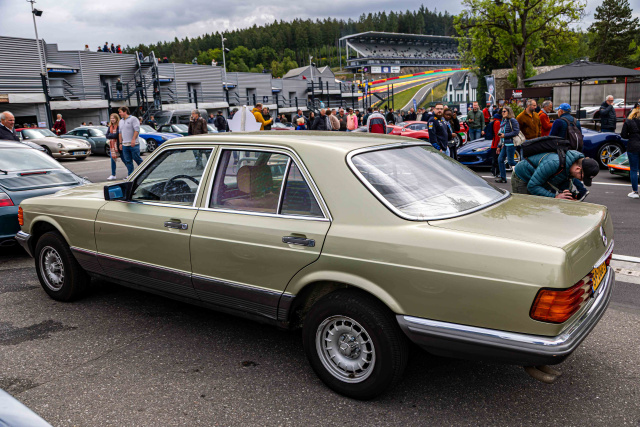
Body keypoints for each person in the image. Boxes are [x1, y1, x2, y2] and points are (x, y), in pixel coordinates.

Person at [512, 149, 600, 199]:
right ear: (578, 169)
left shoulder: (570, 169)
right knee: (523, 208)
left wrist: (567, 195)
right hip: (522, 176)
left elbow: (563, 185)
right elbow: (532, 186)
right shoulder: (554, 163)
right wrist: (556, 197)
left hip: (537, 179)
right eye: (582, 177)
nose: (580, 180)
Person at [495, 106, 521, 183]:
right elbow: (501, 134)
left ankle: (522, 170)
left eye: (504, 111)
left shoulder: (512, 120)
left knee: (511, 162)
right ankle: (503, 177)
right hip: (505, 144)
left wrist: (505, 135)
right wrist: (499, 146)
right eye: (502, 111)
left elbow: (516, 132)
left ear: (509, 112)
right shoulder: (504, 121)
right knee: (500, 159)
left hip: (511, 144)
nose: (503, 113)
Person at [621, 106, 640, 198]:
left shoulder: (629, 121)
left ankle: (635, 191)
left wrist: (631, 136)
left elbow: (623, 135)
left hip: (633, 146)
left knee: (633, 169)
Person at [118, 106, 142, 177]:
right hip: (125, 145)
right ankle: (130, 175)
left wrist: (133, 139)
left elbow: (136, 130)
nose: (119, 113)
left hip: (133, 144)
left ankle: (145, 172)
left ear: (125, 111)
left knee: (137, 159)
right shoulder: (121, 121)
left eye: (120, 112)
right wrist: (120, 143)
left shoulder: (133, 119)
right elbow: (120, 133)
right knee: (128, 161)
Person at [106, 113, 121, 181]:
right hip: (112, 147)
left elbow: (116, 135)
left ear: (116, 119)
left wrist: (111, 135)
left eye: (113, 118)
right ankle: (113, 175)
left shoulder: (119, 126)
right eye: (111, 118)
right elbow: (107, 135)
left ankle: (130, 173)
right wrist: (112, 135)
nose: (112, 119)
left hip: (118, 145)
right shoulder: (110, 127)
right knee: (113, 161)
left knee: (125, 160)